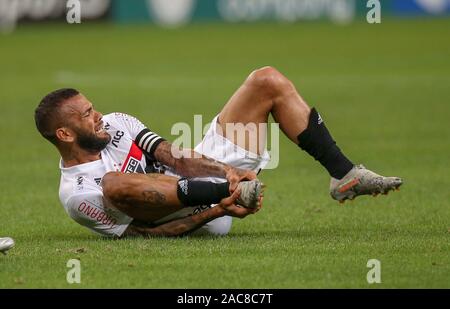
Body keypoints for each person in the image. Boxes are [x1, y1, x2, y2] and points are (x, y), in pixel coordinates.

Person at [35, 66, 402, 238]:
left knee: (266, 81)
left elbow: (171, 155)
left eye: (93, 107)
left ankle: (343, 174)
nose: (98, 116)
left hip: (197, 180)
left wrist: (227, 172)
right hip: (192, 218)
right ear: (65, 133)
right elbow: (145, 236)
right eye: (87, 115)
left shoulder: (115, 123)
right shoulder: (77, 194)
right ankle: (229, 192)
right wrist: (218, 208)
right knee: (114, 183)